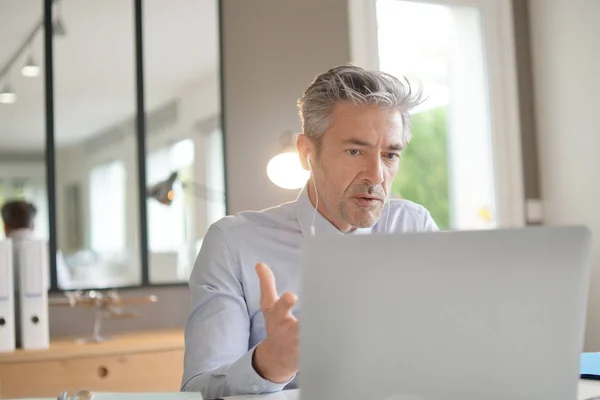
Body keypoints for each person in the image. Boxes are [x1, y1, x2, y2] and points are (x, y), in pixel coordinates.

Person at [181, 65, 439, 398]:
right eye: (355, 151)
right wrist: (270, 364)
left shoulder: (414, 227)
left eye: (390, 154)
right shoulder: (233, 244)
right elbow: (197, 391)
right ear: (306, 153)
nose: (376, 175)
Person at [1, 199, 70, 289]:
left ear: (5, 225)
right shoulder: (47, 248)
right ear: (33, 225)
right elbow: (64, 285)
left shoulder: (3, 250)